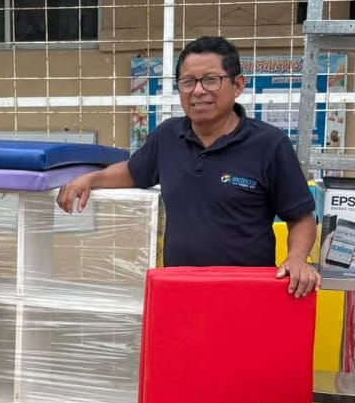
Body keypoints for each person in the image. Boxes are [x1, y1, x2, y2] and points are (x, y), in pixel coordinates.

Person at [56, 35, 319, 296]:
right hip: (180, 290)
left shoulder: (270, 144)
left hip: (247, 293)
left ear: (238, 85)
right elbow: (134, 172)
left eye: (211, 80)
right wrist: (90, 179)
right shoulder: (167, 136)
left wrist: (296, 258)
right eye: (188, 82)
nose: (198, 91)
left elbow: (301, 217)